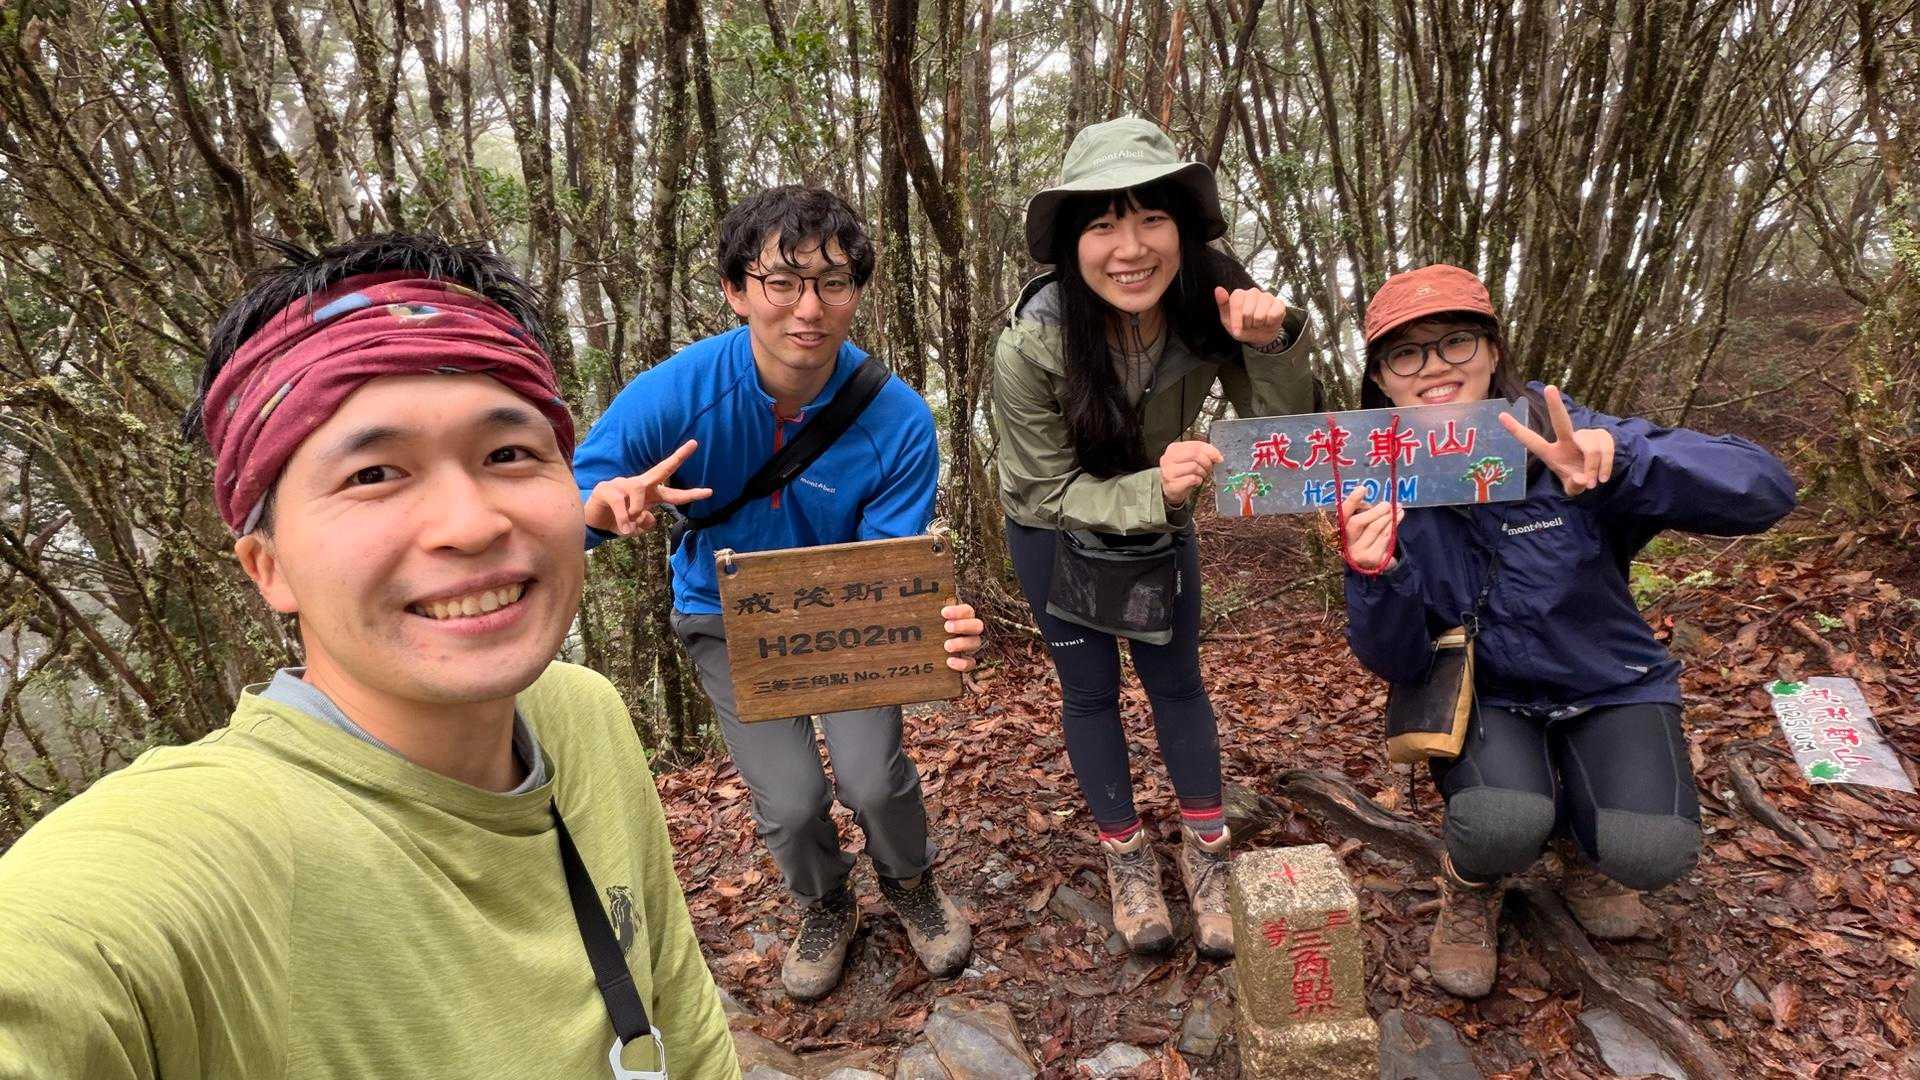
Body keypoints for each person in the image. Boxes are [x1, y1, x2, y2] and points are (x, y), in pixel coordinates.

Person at [0, 234, 739, 1077]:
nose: (471, 523)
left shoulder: (584, 714)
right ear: (269, 567)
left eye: (507, 455)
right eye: (374, 474)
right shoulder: (210, 844)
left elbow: (683, 1016)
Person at [572, 186, 986, 1002]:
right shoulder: (679, 394)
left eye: (833, 282)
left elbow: (886, 568)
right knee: (792, 801)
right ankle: (826, 902)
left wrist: (929, 633)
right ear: (737, 291)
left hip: (846, 622)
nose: (809, 308)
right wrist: (598, 510)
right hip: (724, 617)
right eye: (782, 282)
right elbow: (566, 504)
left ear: (856, 291)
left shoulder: (897, 420)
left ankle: (910, 882)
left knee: (872, 779)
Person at [1339, 263, 1796, 998]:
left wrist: (1628, 465)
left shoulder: (1570, 435)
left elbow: (1766, 490)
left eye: (1455, 342)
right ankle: (1473, 886)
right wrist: (1376, 574)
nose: (1433, 368)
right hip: (1486, 696)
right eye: (1405, 354)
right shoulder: (1377, 480)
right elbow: (1395, 660)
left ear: (1493, 350)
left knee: (1651, 850)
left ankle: (1585, 855)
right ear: (1381, 380)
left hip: (1607, 681)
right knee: (1498, 822)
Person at [991, 117, 1318, 960]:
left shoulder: (1211, 307)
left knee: (1176, 683)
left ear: (1183, 228)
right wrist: (1152, 490)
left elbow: (1287, 448)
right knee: (1090, 691)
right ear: (1073, 244)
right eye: (1103, 223)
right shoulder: (1033, 343)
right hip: (1054, 529)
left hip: (1159, 521)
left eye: (1151, 219)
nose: (1130, 248)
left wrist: (1272, 345)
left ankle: (1207, 850)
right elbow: (1039, 488)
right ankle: (1126, 858)